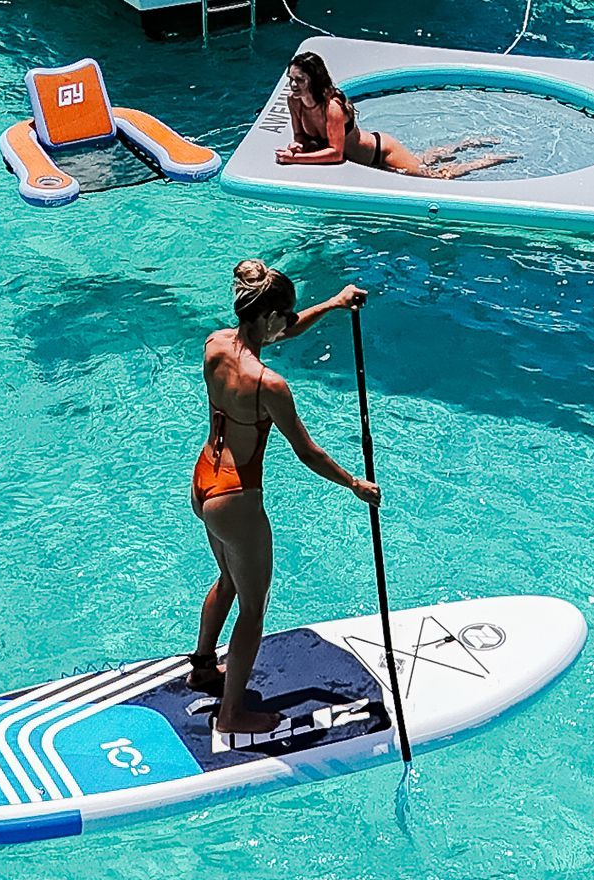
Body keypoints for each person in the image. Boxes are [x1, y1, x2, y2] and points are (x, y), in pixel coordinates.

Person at [190, 259, 378, 744]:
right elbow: (307, 452)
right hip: (236, 498)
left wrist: (334, 304)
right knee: (254, 606)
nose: (290, 323)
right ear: (270, 318)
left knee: (228, 579)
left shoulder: (215, 344)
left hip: (205, 480)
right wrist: (353, 484)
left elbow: (278, 334)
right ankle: (231, 714)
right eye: (286, 316)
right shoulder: (268, 385)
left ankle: (203, 667)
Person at [275, 49, 513, 182]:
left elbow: (336, 154)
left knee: (435, 177)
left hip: (381, 153)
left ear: (313, 80)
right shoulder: (294, 101)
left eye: (299, 80)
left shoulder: (332, 108)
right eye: (291, 79)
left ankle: (490, 159)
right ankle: (465, 144)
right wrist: (297, 147)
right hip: (369, 153)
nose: (293, 85)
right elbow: (300, 135)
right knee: (423, 160)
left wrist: (293, 159)